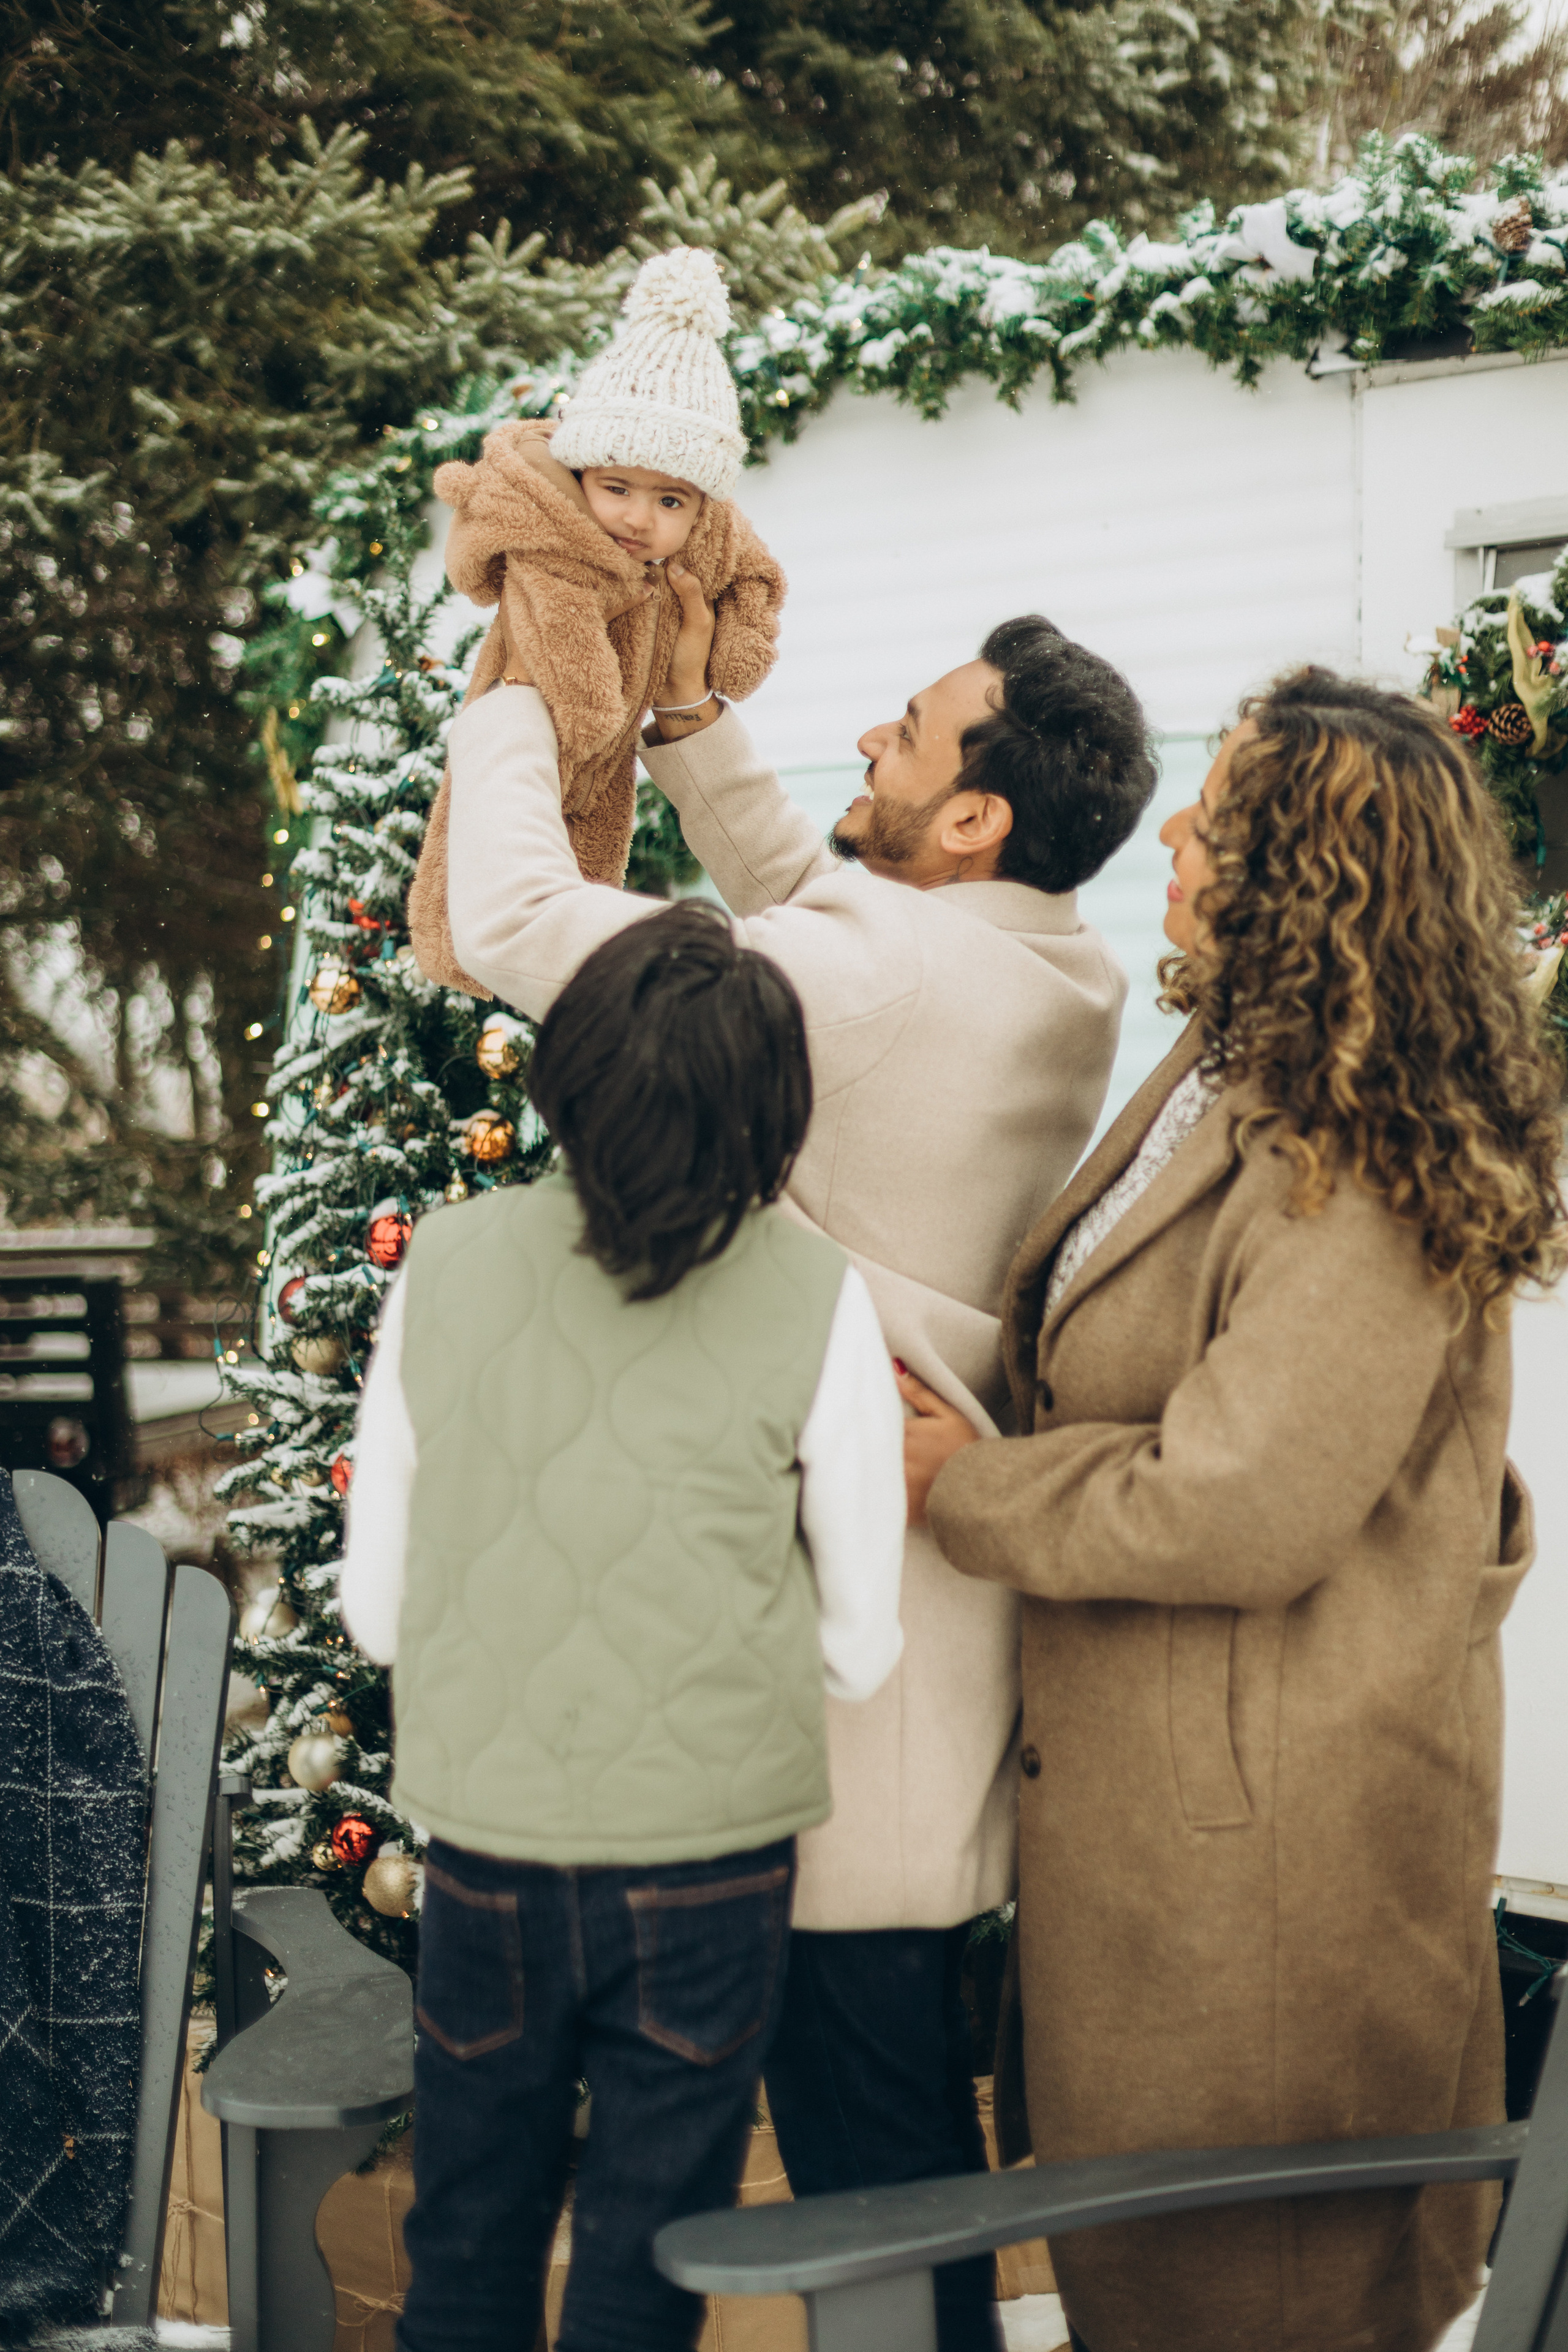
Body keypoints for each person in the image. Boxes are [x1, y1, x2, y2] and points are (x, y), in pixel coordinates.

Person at [439, 571, 1155, 2347]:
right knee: (891, 2155)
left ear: (977, 814)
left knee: (871, 2170)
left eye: (904, 734)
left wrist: (524, 687)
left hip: (846, 1680)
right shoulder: (1049, 960)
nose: (867, 733)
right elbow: (822, 908)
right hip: (917, 1663)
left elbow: (530, 915)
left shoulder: (890, 979)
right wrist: (692, 727)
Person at [902, 668, 1566, 2352]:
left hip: (1275, 1874)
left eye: (1226, 811)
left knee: (1259, 2306)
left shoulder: (1368, 1149)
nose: (1180, 831)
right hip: (1177, 1843)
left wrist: (965, 1487)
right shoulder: (1227, 1058)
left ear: (1309, 869)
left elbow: (1241, 1505)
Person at [340, 903, 907, 2352]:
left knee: (465, 2237)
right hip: (708, 1864)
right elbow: (857, 1642)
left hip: (486, 1848)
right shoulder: (816, 1294)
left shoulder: (445, 1264)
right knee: (645, 2263)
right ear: (765, 1102)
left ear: (567, 1070)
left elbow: (373, 1611)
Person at [406, 241, 785, 986]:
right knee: (486, 845)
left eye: (669, 500)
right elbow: (560, 644)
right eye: (617, 488)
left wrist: (733, 653)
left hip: (617, 753)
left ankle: (549, 975)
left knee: (589, 868)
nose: (639, 519)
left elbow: (757, 575)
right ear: (582, 474)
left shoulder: (704, 537)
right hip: (536, 711)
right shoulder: (553, 537)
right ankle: (456, 949)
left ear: (700, 504)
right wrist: (582, 722)